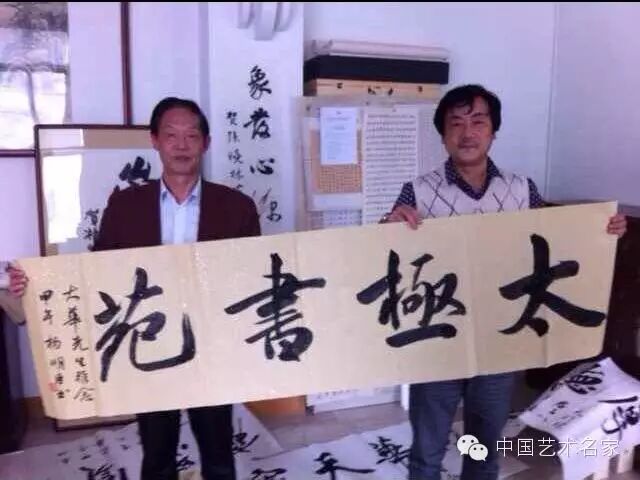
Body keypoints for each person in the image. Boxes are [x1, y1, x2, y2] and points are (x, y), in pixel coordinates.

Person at [381, 84, 626, 480]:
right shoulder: (418, 191)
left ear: (493, 131)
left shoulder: (521, 190)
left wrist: (601, 230)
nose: (467, 133)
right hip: (437, 340)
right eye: (456, 123)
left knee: (483, 448)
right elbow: (387, 254)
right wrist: (388, 226)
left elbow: (554, 239)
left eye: (478, 121)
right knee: (427, 449)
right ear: (442, 134)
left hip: (500, 338)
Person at [10, 96, 260, 480]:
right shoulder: (125, 206)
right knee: (157, 452)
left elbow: (253, 275)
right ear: (154, 141)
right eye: (171, 135)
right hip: (147, 346)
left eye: (192, 135)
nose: (181, 145)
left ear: (206, 143)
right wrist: (36, 282)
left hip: (213, 346)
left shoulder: (237, 207)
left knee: (218, 452)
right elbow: (95, 272)